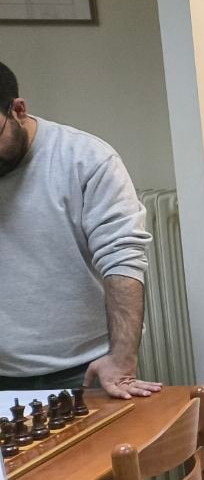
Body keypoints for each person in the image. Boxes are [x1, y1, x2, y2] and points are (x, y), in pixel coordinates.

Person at [0, 62, 161, 397]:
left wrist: (122, 360)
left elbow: (122, 259)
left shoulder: (86, 159)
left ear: (18, 110)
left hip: (85, 369)